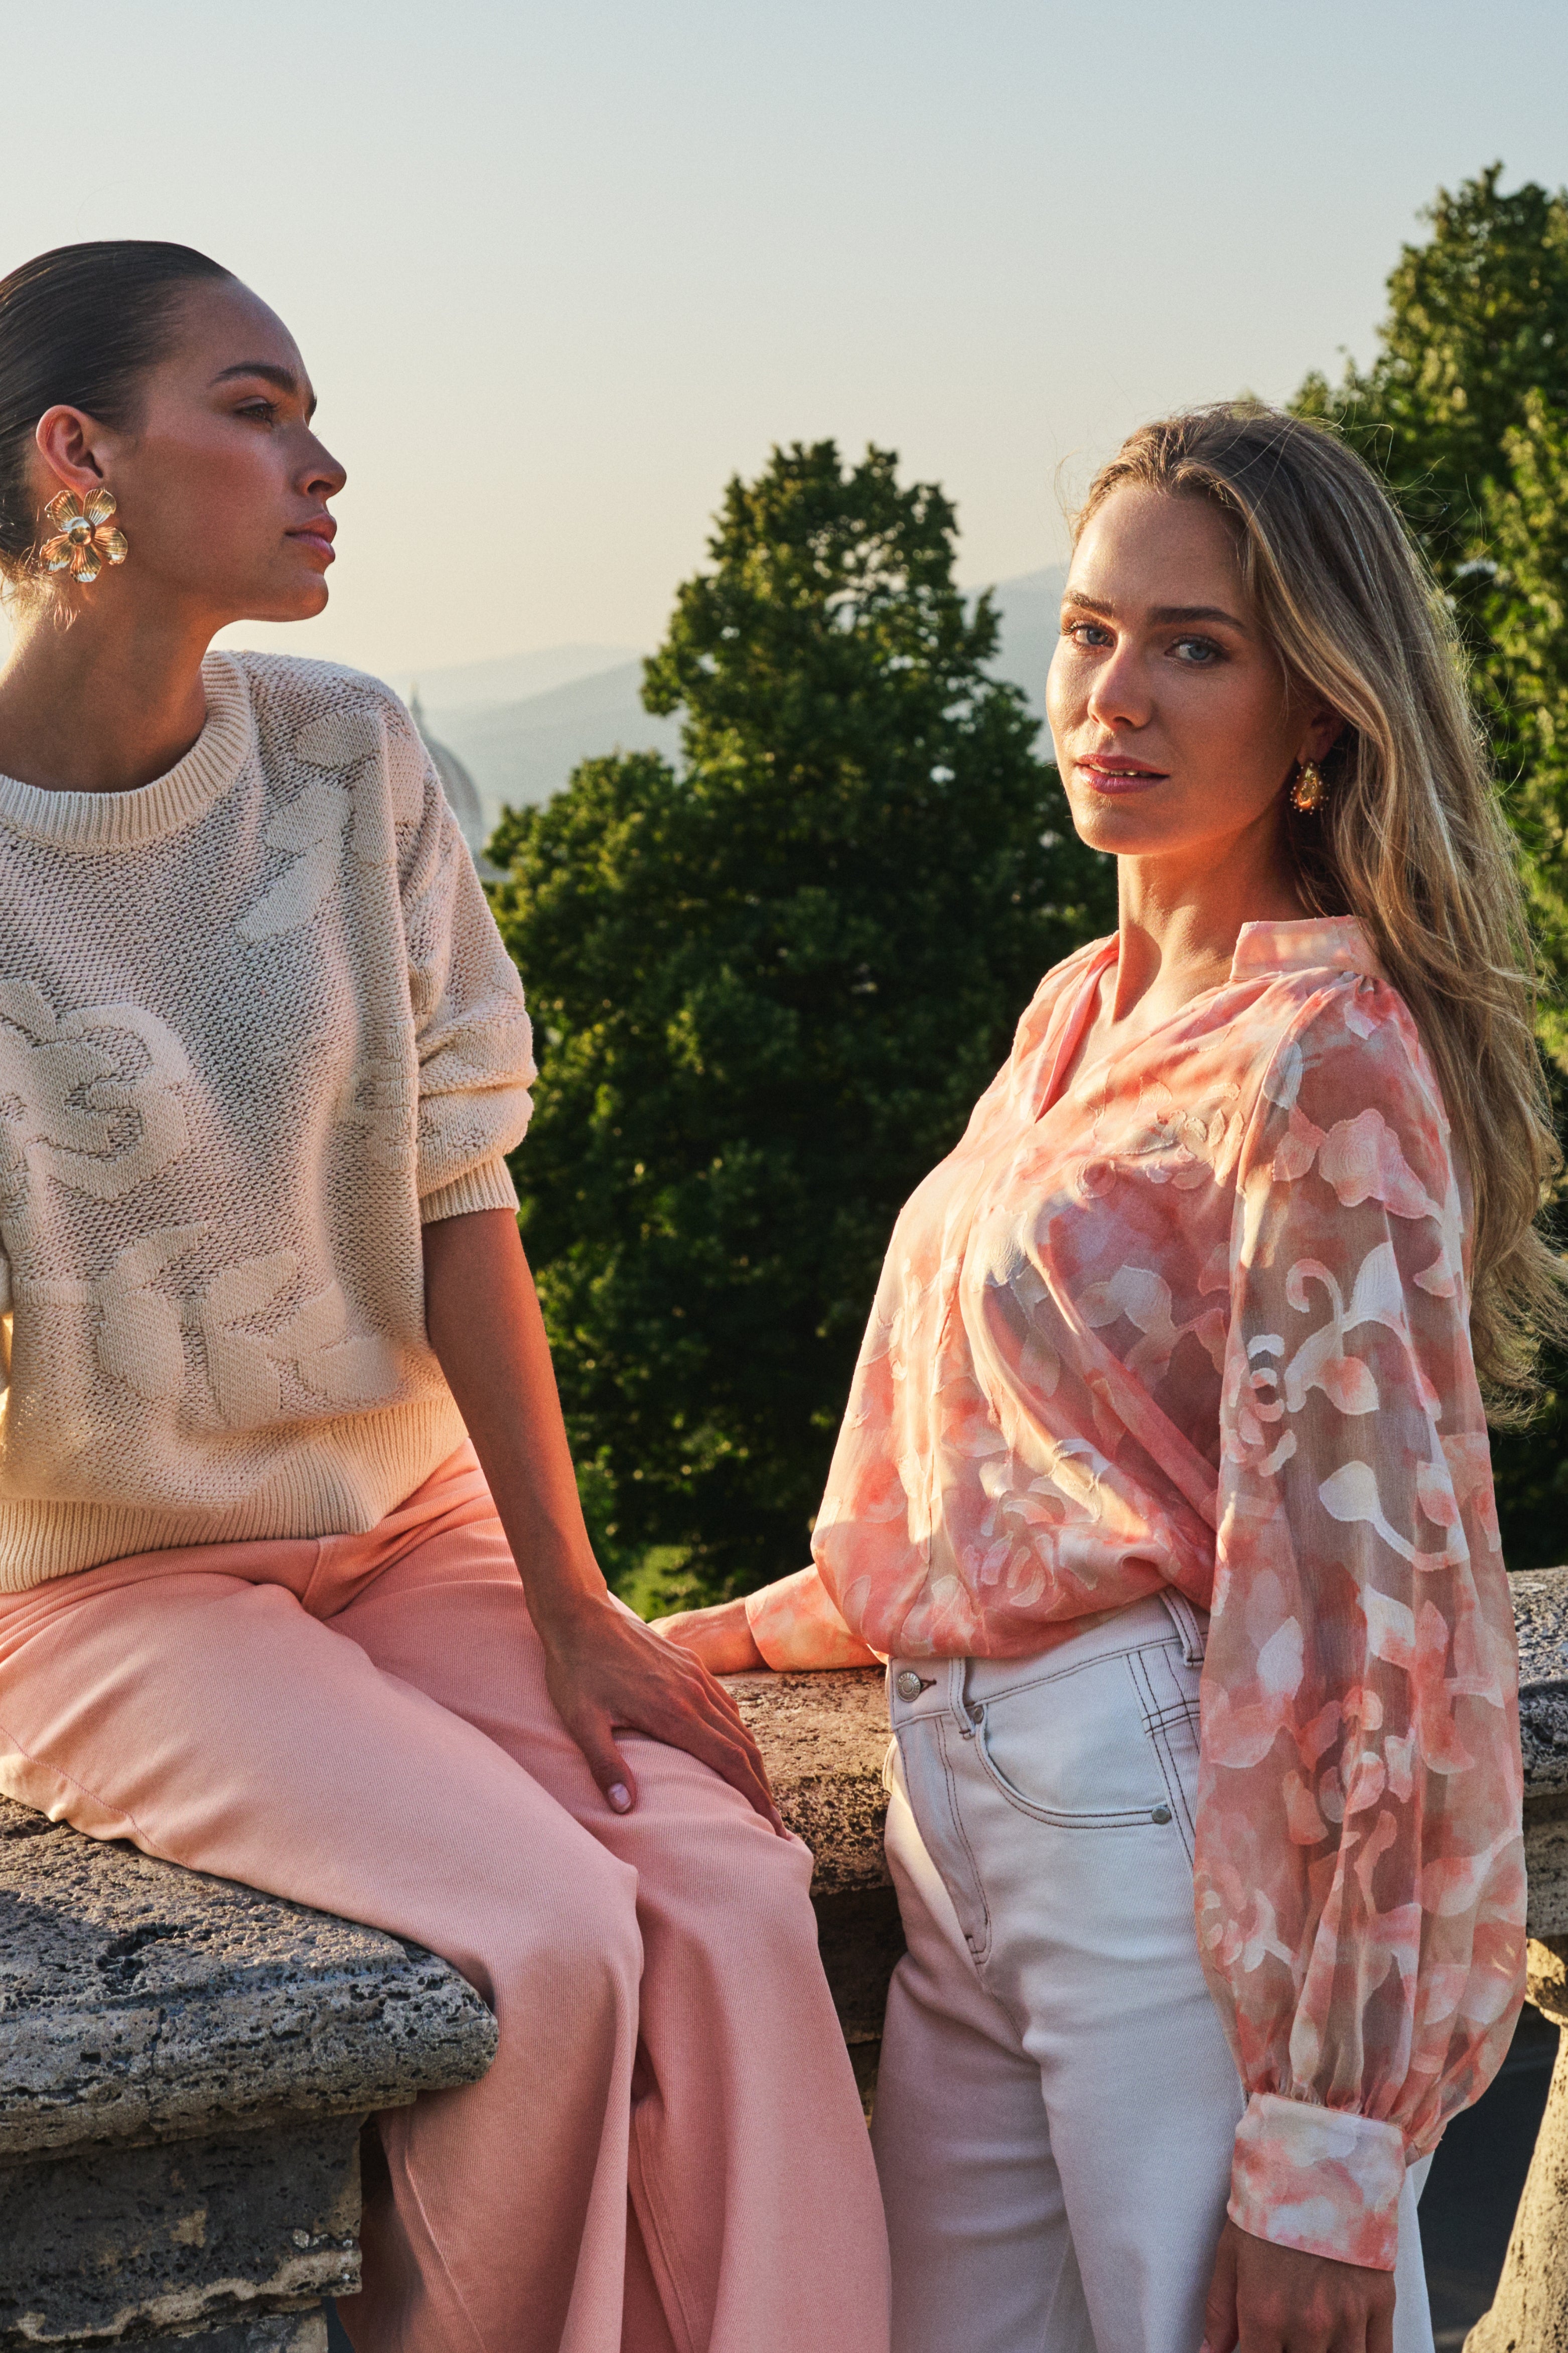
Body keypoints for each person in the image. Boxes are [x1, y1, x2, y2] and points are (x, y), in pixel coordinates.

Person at [0, 240, 891, 2353]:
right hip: (105, 1591)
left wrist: (573, 1596)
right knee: (545, 1936)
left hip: (410, 1525)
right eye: (256, 409)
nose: (322, 464)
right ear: (77, 458)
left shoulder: (347, 755)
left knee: (733, 1891)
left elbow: (457, 1199)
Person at [659, 404, 1553, 2353]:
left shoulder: (1321, 1056)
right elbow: (1025, 1449)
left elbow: (1382, 1611)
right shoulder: (1078, 1008)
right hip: (957, 1812)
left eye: (1192, 645)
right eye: (1087, 631)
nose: (1112, 694)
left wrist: (1329, 2143)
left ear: (1315, 708)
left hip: (1154, 1825)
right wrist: (752, 1630)